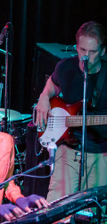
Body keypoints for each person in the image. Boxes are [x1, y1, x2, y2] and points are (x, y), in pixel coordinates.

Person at [35, 21, 107, 202]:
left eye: (92, 52)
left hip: (100, 153)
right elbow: (52, 83)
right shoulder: (66, 66)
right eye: (82, 50)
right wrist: (44, 98)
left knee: (92, 213)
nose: (86, 57)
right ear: (76, 47)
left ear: (103, 52)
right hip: (67, 149)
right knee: (56, 208)